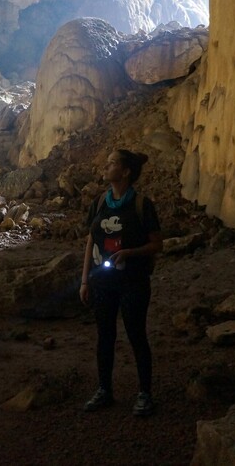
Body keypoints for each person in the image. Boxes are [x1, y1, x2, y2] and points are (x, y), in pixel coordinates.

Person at [79, 149, 163, 416]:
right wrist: (84, 281)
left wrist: (129, 253)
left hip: (133, 281)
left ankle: (145, 393)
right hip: (103, 282)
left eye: (112, 163)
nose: (106, 166)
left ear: (125, 172)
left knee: (136, 335)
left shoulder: (141, 204)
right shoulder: (100, 203)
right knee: (105, 336)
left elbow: (156, 244)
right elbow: (91, 240)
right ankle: (104, 389)